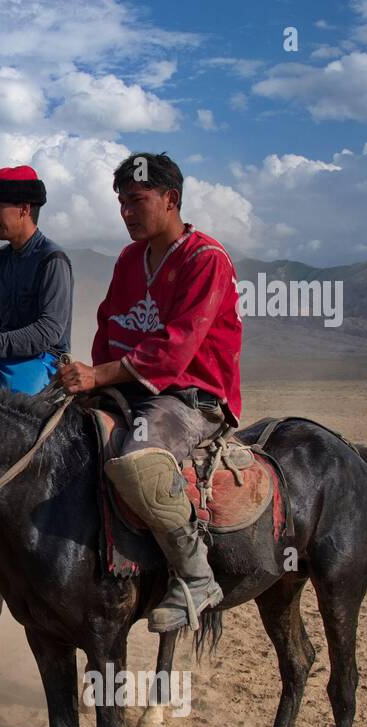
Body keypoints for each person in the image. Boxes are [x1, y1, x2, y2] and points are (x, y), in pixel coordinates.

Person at [57, 151, 242, 634]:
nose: (126, 212)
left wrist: (100, 376)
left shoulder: (207, 260)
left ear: (170, 198)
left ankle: (196, 575)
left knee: (138, 459)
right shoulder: (128, 259)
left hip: (190, 398)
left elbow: (177, 347)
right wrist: (90, 383)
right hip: (129, 391)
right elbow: (110, 325)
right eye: (121, 202)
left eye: (137, 200)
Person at [0, 166, 72, 394]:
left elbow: (48, 331)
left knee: (10, 418)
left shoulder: (53, 259)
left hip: (42, 359)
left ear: (24, 209)